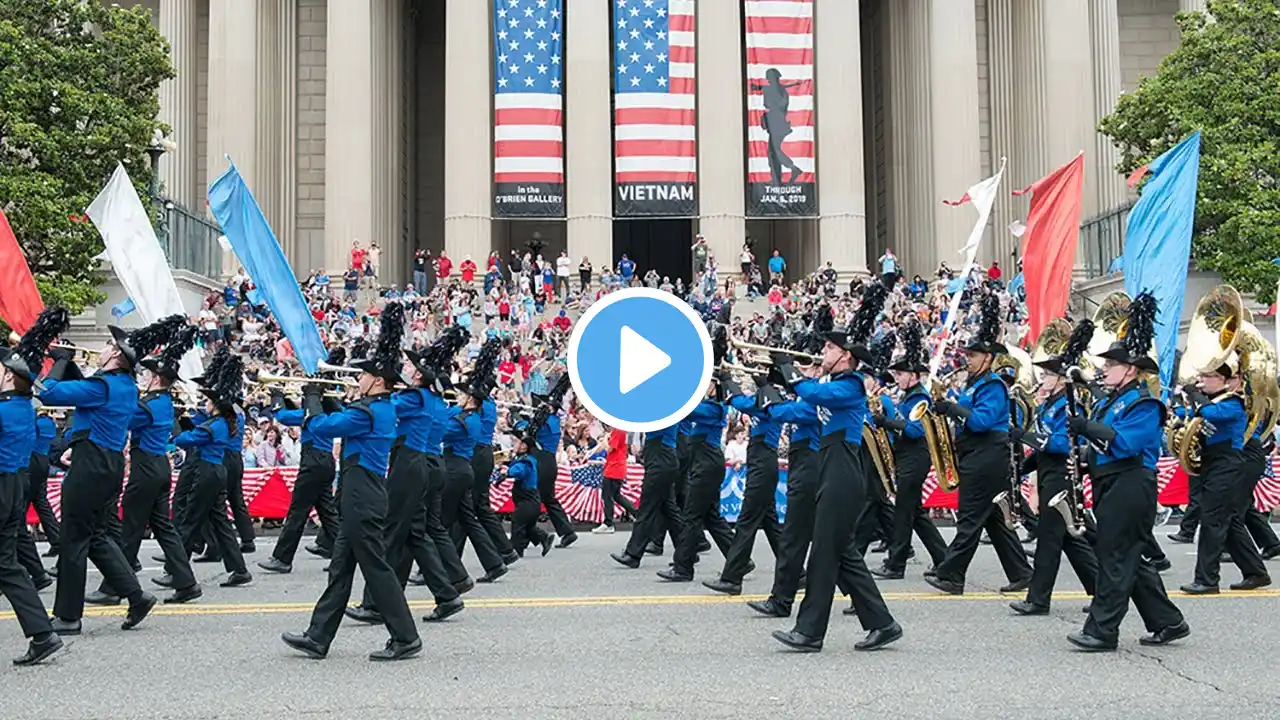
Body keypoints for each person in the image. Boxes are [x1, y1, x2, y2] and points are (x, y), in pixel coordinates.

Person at [282, 303, 422, 661]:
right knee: (340, 567)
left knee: (376, 568)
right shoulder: (378, 408)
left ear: (376, 380)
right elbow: (340, 418)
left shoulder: (370, 411)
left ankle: (405, 636)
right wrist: (325, 401)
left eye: (362, 376)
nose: (357, 379)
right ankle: (318, 636)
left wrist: (314, 400)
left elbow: (324, 428)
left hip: (362, 496)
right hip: (361, 495)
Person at [766, 281, 902, 652]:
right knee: (840, 552)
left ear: (846, 356)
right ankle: (883, 623)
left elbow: (814, 393)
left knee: (824, 553)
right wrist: (769, 399)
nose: (822, 351)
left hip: (843, 467)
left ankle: (810, 631)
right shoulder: (835, 382)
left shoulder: (853, 386)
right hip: (830, 465)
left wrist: (792, 375)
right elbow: (803, 408)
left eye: (828, 347)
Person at [1068, 292, 1188, 651]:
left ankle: (1103, 630)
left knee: (1115, 556)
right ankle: (1168, 621)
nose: (1105, 368)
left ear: (1131, 369)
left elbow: (1126, 445)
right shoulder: (1111, 401)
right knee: (1129, 557)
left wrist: (1087, 429)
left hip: (1132, 484)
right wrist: (1086, 458)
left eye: (1112, 364)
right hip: (1113, 483)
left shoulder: (1144, 403)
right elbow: (1106, 449)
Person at [40, 317, 167, 636]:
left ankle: (68, 616)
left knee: (73, 538)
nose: (104, 348)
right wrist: (68, 364)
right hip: (107, 464)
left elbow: (48, 393)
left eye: (109, 345)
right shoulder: (123, 385)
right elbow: (84, 395)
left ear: (116, 356)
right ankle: (137, 596)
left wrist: (57, 363)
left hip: (91, 465)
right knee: (95, 536)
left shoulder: (102, 385)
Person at [924, 292, 1033, 596]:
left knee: (970, 517)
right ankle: (1022, 572)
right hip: (978, 454)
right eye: (968, 355)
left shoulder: (993, 386)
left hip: (987, 455)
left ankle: (952, 574)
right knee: (994, 520)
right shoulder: (975, 385)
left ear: (988, 358)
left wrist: (954, 409)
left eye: (973, 355)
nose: (967, 359)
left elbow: (981, 422)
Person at [100, 323, 202, 605]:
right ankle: (186, 582)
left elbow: (125, 419)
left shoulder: (150, 403)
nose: (144, 376)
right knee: (163, 527)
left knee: (131, 527)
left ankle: (113, 587)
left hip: (146, 468)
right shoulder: (163, 401)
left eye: (148, 373)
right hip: (158, 467)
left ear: (157, 378)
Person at [1008, 320, 1098, 615]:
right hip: (1048, 472)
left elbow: (1061, 444)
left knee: (1050, 537)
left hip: (1062, 475)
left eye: (1048, 374)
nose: (1042, 377)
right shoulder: (1048, 404)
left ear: (1061, 379)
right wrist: (1024, 465)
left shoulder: (1068, 404)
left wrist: (1027, 437)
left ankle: (1038, 599)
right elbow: (1043, 448)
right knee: (1071, 540)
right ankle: (1101, 590)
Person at [0, 309, 67, 664]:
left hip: (2, 485)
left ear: (9, 377)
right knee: (7, 564)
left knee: (7, 565)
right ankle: (42, 634)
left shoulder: (5, 408)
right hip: (13, 486)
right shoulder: (24, 406)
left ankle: (42, 634)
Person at [1178, 356, 1270, 594]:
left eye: (1208, 377)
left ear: (1225, 381)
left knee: (1212, 522)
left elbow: (1212, 414)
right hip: (1213, 464)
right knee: (1229, 524)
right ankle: (1255, 572)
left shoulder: (1234, 402)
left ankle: (1207, 580)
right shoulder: (1212, 401)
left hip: (1228, 465)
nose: (1203, 381)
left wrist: (1195, 396)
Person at [871, 321, 948, 580]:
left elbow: (915, 430)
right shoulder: (907, 397)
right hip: (907, 457)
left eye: (901, 374)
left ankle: (896, 564)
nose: (897, 378)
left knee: (904, 514)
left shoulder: (920, 398)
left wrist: (887, 420)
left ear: (914, 376)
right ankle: (944, 559)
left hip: (915, 458)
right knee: (915, 514)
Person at [172, 348, 253, 589]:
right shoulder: (220, 421)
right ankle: (239, 570)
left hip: (209, 471)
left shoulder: (215, 424)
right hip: (216, 471)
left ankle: (175, 570)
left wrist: (178, 427)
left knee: (189, 520)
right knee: (220, 522)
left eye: (208, 400)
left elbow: (185, 440)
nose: (204, 402)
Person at [257, 354, 344, 573]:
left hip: (313, 459)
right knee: (327, 512)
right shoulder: (327, 405)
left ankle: (282, 558)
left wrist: (276, 397)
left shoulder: (315, 410)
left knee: (297, 511)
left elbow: (285, 417)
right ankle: (340, 553)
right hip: (323, 461)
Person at [702, 377, 781, 594]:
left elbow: (740, 402)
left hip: (763, 461)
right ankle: (796, 573)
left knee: (746, 521)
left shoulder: (769, 404)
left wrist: (727, 380)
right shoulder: (765, 401)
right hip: (760, 460)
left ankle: (733, 577)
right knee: (771, 523)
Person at [657, 374, 734, 582]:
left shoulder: (714, 408)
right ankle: (739, 560)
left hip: (707, 465)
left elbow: (685, 411)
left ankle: (683, 568)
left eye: (708, 382)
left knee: (691, 515)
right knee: (711, 517)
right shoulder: (710, 406)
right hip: (705, 464)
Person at [610, 420, 681, 568]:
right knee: (669, 510)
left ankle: (633, 554)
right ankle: (687, 552)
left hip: (660, 459)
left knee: (646, 509)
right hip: (662, 458)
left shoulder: (665, 412)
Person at [499, 421, 554, 557]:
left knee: (518, 523)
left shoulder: (526, 461)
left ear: (524, 446)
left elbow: (520, 471)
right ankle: (543, 538)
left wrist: (507, 473)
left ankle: (513, 552)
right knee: (527, 525)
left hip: (528, 500)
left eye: (516, 442)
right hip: (527, 499)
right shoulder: (522, 458)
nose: (513, 445)